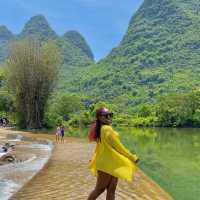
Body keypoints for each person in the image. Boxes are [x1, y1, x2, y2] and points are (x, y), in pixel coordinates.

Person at [87, 107, 139, 200]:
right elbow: (119, 147)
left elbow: (99, 147)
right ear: (100, 118)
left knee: (111, 190)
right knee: (100, 189)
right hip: (108, 164)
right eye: (106, 115)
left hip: (111, 163)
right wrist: (132, 157)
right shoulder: (107, 129)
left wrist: (94, 158)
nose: (109, 117)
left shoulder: (101, 128)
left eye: (111, 115)